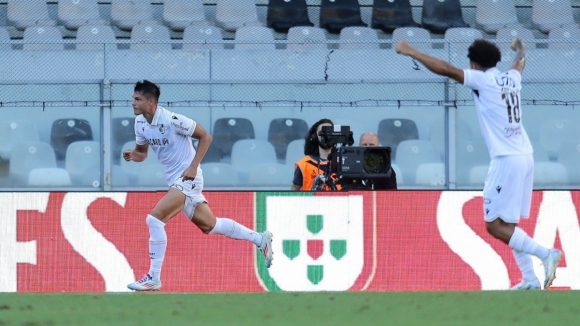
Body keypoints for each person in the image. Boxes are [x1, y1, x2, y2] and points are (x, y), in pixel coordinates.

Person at [396, 38, 562, 290]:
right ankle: (529, 278)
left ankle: (544, 254)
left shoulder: (482, 79)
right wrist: (520, 49)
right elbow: (519, 63)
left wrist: (412, 52)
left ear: (473, 64)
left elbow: (446, 69)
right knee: (508, 224)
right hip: (524, 155)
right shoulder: (510, 78)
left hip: (506, 159)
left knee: (494, 225)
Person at [124, 80, 273, 291]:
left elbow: (206, 136)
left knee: (154, 220)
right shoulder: (140, 123)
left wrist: (193, 166)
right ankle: (260, 239)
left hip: (188, 179)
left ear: (151, 102)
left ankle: (153, 278)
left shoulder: (173, 120)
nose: (133, 103)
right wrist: (133, 155)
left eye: (137, 99)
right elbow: (142, 153)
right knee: (210, 225)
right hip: (174, 181)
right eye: (133, 98)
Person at [291, 118, 340, 191]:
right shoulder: (305, 164)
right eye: (323, 132)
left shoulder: (343, 163)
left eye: (330, 131)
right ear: (315, 137)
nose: (326, 135)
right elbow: (292, 193)